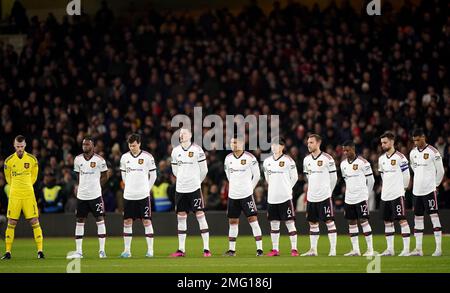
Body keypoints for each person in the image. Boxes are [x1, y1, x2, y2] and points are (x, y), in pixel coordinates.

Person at [170, 128, 211, 257]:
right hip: (180, 189)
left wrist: (195, 182)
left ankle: (206, 249)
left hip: (194, 189)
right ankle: (181, 249)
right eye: (180, 134)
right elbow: (175, 170)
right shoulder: (175, 151)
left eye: (184, 133)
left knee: (200, 215)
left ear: (191, 135)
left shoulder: (197, 150)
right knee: (181, 217)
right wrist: (183, 179)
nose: (182, 135)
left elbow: (204, 170)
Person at [2, 135, 44, 260]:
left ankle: (40, 251)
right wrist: (16, 186)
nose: (19, 148)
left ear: (25, 145)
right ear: (14, 146)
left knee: (34, 221)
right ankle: (8, 252)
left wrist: (26, 185)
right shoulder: (8, 161)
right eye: (17, 146)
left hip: (28, 194)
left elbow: (34, 176)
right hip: (15, 195)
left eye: (21, 146)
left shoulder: (32, 159)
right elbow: (8, 178)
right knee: (11, 222)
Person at [67, 137, 108, 259]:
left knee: (100, 219)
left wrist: (97, 185)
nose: (84, 146)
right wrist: (79, 186)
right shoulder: (77, 159)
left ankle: (102, 251)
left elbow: (105, 176)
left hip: (95, 195)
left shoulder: (100, 160)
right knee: (80, 221)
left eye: (87, 144)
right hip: (82, 196)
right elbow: (78, 175)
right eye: (83, 144)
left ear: (93, 146)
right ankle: (79, 251)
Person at [223, 136, 263, 257]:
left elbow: (257, 175)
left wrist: (249, 189)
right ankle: (231, 250)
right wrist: (235, 186)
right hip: (233, 195)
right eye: (231, 142)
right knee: (233, 221)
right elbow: (228, 175)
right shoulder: (228, 158)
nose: (232, 144)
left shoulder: (250, 158)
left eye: (235, 142)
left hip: (246, 195)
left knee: (253, 220)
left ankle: (260, 249)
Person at [119, 134, 157, 258]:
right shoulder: (124, 157)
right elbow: (123, 176)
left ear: (139, 143)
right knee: (127, 221)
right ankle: (127, 251)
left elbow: (154, 176)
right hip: (129, 195)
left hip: (143, 196)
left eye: (134, 145)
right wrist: (128, 186)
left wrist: (147, 189)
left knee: (146, 221)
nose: (132, 147)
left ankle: (150, 250)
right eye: (130, 145)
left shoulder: (147, 157)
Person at [409, 128, 445, 256]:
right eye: (414, 141)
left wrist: (435, 184)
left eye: (418, 140)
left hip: (429, 190)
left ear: (423, 137)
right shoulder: (412, 152)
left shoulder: (433, 152)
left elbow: (441, 171)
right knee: (417, 218)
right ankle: (418, 249)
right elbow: (413, 167)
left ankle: (439, 249)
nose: (416, 143)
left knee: (434, 217)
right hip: (416, 191)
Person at [301, 134, 338, 256]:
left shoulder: (328, 159)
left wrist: (329, 192)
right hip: (311, 197)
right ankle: (313, 250)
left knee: (329, 222)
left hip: (324, 196)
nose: (309, 145)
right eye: (308, 142)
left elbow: (334, 178)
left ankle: (332, 250)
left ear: (318, 143)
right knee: (312, 223)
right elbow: (308, 177)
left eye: (311, 142)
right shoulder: (306, 160)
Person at [263, 137, 299, 257]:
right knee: (274, 224)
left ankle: (294, 249)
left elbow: (295, 178)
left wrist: (287, 188)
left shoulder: (289, 161)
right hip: (272, 198)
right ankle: (275, 249)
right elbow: (267, 178)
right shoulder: (267, 161)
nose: (274, 147)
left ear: (282, 147)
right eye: (272, 145)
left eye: (276, 145)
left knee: (290, 223)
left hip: (285, 197)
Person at [378, 131, 411, 256]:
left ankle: (406, 249)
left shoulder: (400, 158)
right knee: (387, 221)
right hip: (385, 195)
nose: (383, 145)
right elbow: (382, 175)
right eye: (382, 143)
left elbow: (406, 175)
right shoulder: (381, 159)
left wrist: (402, 189)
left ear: (392, 142)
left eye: (385, 142)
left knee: (402, 220)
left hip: (397, 194)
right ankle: (390, 249)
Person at [340, 140, 375, 256]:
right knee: (351, 222)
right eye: (344, 150)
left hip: (361, 197)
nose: (345, 152)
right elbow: (345, 179)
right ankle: (356, 250)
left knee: (364, 220)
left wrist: (367, 194)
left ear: (353, 149)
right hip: (349, 198)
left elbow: (371, 180)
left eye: (347, 150)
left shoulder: (363, 163)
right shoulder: (343, 164)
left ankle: (370, 249)